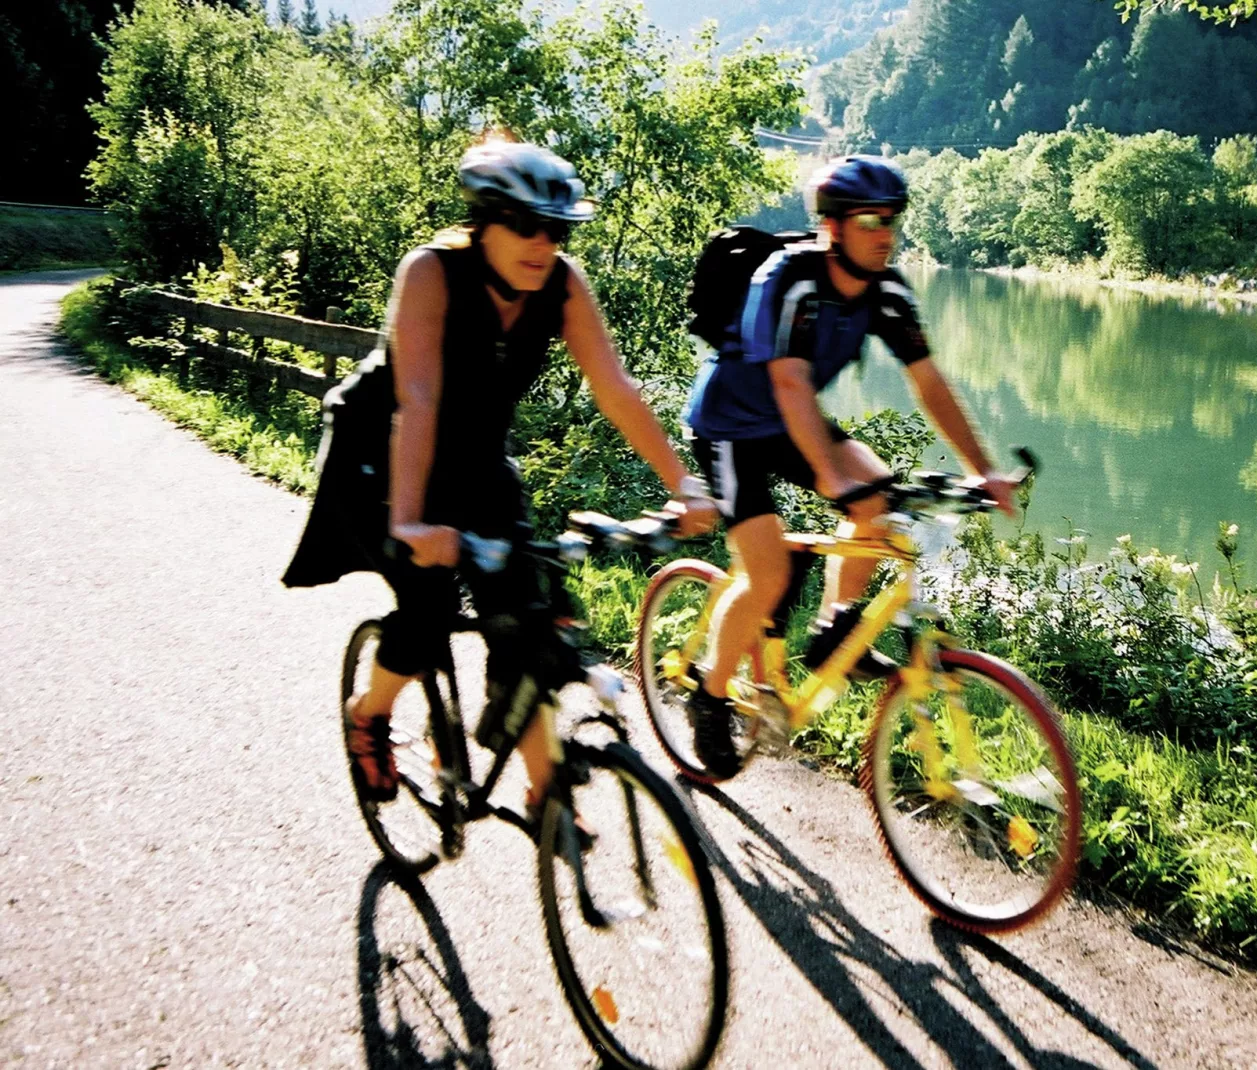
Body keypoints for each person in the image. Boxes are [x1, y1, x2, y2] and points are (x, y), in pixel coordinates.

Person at [283, 140, 718, 806]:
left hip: (477, 462)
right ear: (484, 218)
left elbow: (616, 389)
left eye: (557, 228)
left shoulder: (563, 284)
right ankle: (368, 713)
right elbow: (417, 399)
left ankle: (548, 804)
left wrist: (682, 485)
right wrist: (409, 521)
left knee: (526, 619)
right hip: (382, 455)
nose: (543, 243)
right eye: (525, 225)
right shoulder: (431, 273)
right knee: (427, 608)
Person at [680, 154, 1015, 777]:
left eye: (892, 219)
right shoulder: (790, 278)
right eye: (869, 219)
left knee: (879, 499)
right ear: (832, 226)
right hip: (730, 426)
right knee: (768, 572)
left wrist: (984, 470)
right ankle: (710, 694)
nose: (885, 232)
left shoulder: (886, 289)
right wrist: (834, 479)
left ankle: (833, 627)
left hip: (790, 421)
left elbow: (930, 381)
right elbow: (788, 382)